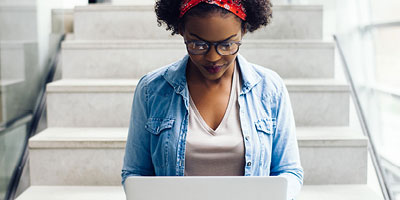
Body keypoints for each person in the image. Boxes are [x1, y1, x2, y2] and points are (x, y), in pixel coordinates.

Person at [122, 0, 303, 199]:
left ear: (243, 30)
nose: (213, 58)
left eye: (227, 45)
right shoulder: (152, 89)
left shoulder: (269, 88)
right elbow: (136, 174)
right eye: (199, 44)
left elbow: (289, 172)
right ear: (182, 30)